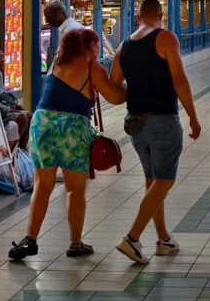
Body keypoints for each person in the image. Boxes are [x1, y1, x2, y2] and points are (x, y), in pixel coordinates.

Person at [9, 27, 126, 260]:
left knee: (42, 186)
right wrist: (127, 89)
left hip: (42, 123)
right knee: (75, 189)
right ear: (91, 46)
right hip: (71, 129)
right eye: (96, 45)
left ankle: (29, 239)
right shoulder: (91, 66)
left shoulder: (56, 63)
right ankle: (75, 243)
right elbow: (114, 97)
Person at [109, 0, 202, 264]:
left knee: (153, 181)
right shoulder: (166, 38)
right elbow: (180, 81)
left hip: (135, 124)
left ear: (138, 16)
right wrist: (193, 118)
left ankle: (162, 239)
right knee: (164, 181)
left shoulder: (124, 46)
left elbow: (115, 83)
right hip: (163, 121)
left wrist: (134, 90)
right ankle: (132, 238)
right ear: (162, 15)